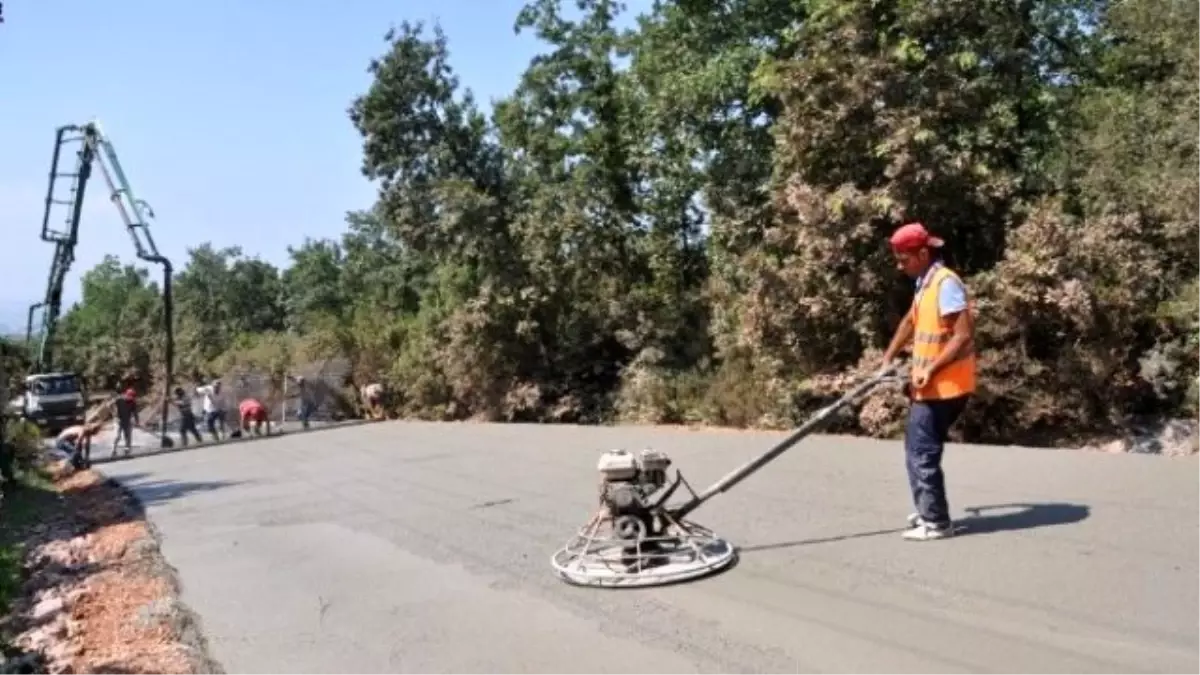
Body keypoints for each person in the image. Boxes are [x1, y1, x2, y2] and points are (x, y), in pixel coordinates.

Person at [881, 222, 977, 542]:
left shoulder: (946, 283)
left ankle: (936, 521)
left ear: (923, 253)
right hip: (931, 384)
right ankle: (927, 508)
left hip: (946, 386)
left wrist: (931, 369)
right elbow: (911, 320)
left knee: (921, 451)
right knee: (916, 447)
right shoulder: (925, 282)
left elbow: (962, 336)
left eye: (904, 258)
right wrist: (887, 358)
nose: (899, 265)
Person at [111, 387, 140, 457]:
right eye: (130, 396)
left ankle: (127, 450)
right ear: (127, 395)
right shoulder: (119, 400)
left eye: (133, 397)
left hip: (127, 421)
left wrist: (137, 421)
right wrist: (114, 415)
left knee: (128, 436)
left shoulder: (133, 402)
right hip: (118, 421)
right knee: (117, 436)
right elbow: (110, 405)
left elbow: (135, 412)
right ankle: (113, 450)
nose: (131, 398)